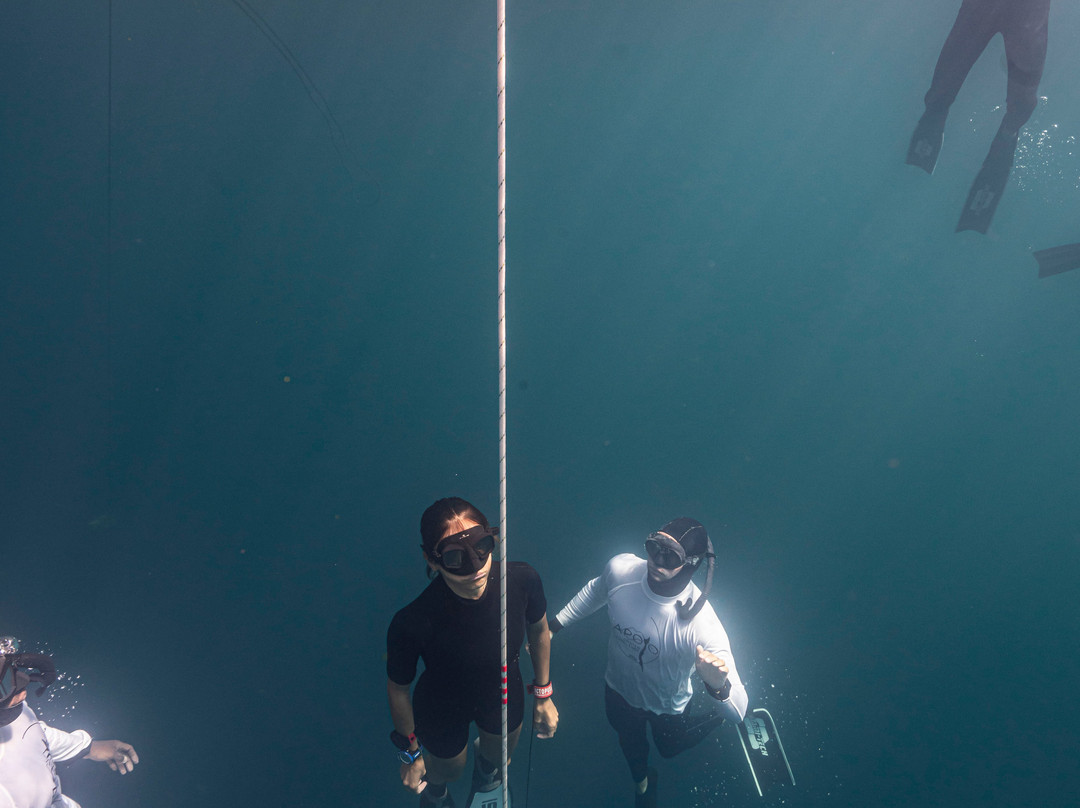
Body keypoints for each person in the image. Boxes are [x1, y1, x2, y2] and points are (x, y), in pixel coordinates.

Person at [549, 517, 747, 808]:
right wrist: (553, 627)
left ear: (691, 563)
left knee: (669, 748)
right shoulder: (621, 570)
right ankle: (642, 785)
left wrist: (718, 687)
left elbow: (739, 710)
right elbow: (596, 590)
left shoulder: (703, 626)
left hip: (669, 707)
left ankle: (713, 718)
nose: (657, 560)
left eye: (671, 556)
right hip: (617, 690)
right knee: (629, 742)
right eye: (654, 547)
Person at [386, 497, 559, 807]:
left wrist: (544, 693)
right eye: (454, 557)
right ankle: (437, 792)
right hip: (442, 707)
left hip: (503, 691)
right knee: (448, 770)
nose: (475, 566)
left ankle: (488, 774)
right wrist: (411, 754)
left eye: (482, 545)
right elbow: (399, 689)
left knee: (499, 757)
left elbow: (538, 628)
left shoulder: (522, 580)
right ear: (431, 559)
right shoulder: (411, 622)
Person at [906, 0, 1052, 233]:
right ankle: (939, 110)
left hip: (1027, 11)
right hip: (1003, 9)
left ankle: (1007, 131)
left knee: (1021, 104)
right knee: (946, 82)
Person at [0, 637, 139, 808]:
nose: (22, 688)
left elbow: (30, 731)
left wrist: (85, 748)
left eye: (8, 672)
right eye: (4, 686)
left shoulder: (12, 709)